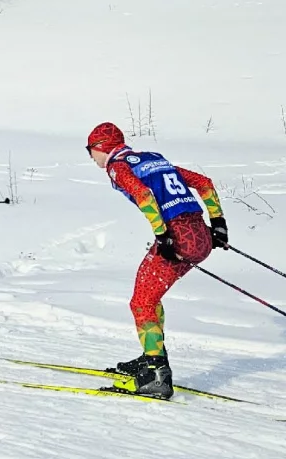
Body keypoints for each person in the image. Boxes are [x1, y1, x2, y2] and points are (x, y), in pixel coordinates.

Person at [86, 122, 228, 399]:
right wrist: (218, 225)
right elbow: (204, 184)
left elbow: (144, 196)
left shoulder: (118, 167)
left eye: (90, 150)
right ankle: (151, 356)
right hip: (199, 234)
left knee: (141, 302)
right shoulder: (152, 158)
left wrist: (162, 235)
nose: (91, 157)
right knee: (149, 297)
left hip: (177, 237)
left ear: (101, 147)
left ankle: (156, 374)